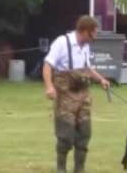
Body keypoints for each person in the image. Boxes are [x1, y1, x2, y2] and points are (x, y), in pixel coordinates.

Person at [43, 15, 110, 173]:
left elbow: (88, 68)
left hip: (83, 94)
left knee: (85, 133)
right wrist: (49, 87)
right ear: (85, 31)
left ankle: (79, 169)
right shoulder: (62, 42)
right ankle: (61, 168)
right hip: (65, 95)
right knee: (65, 136)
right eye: (93, 33)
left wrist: (101, 79)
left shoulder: (86, 46)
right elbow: (47, 65)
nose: (94, 37)